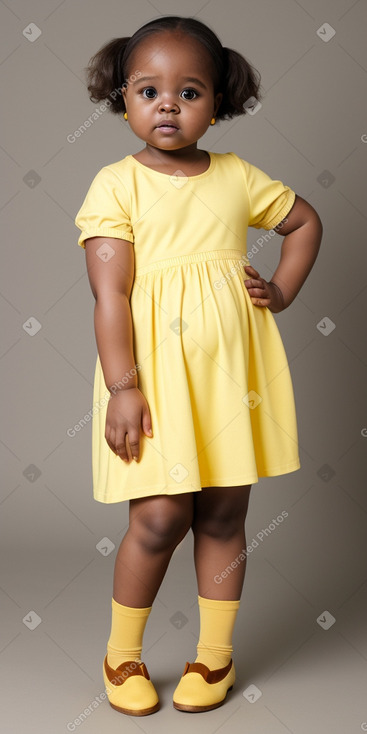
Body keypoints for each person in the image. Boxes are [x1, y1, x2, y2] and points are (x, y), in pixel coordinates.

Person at [75, 15, 322, 717]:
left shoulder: (238, 177)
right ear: (122, 97)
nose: (167, 105)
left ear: (217, 102)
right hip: (148, 380)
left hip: (230, 382)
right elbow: (110, 293)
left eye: (189, 92)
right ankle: (121, 654)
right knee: (157, 519)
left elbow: (304, 223)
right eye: (147, 89)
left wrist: (279, 290)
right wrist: (123, 388)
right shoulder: (115, 184)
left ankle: (213, 657)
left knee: (220, 515)